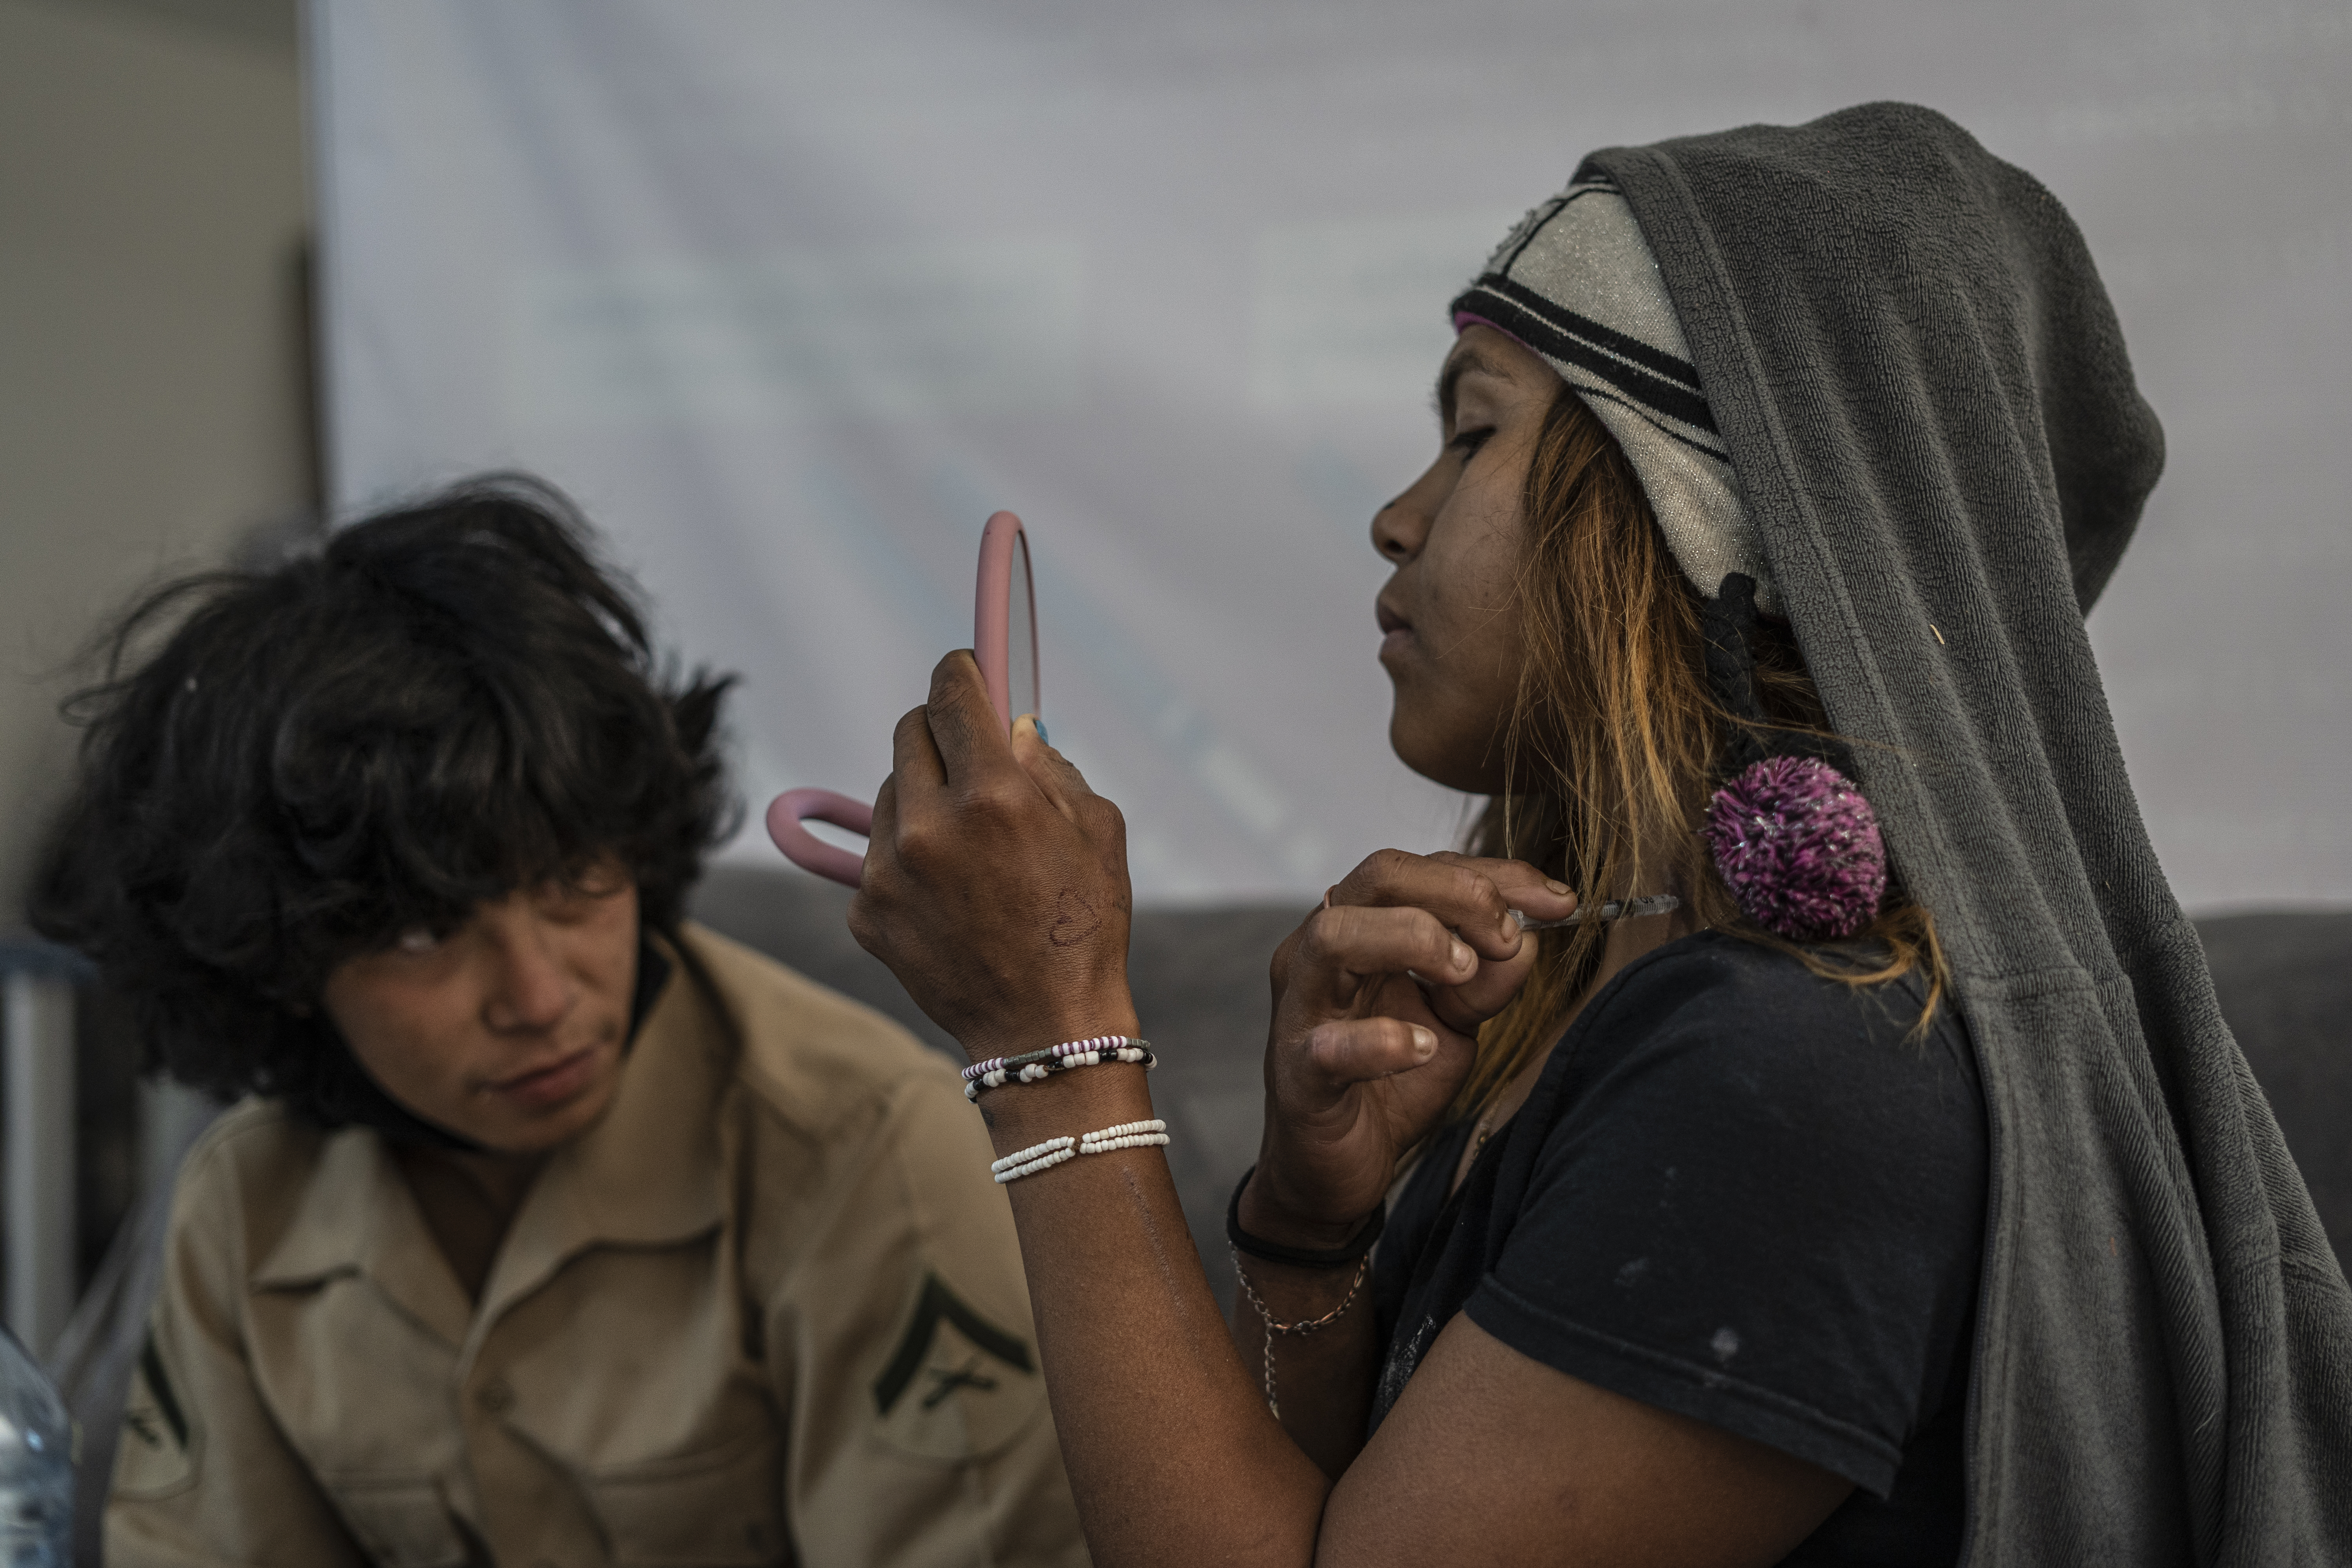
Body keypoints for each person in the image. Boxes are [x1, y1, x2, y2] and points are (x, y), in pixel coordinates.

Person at [844, 103, 2352, 1564]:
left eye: (1475, 437)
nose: (1396, 515)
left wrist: (1051, 1043)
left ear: (1697, 512)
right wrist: (1314, 1228)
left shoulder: (1799, 1070)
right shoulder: (1609, 1001)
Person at [30, 480, 1088, 1568]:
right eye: (421, 936)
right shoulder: (241, 1211)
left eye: (574, 880)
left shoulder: (865, 1152)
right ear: (284, 964)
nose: (539, 999)